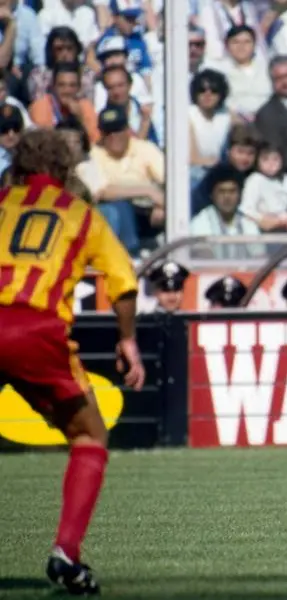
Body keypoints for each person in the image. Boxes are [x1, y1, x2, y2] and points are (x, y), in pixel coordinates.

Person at [0, 129, 145, 594]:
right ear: (64, 170)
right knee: (89, 434)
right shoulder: (80, 215)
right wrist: (127, 341)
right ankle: (66, 553)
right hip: (36, 330)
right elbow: (122, 281)